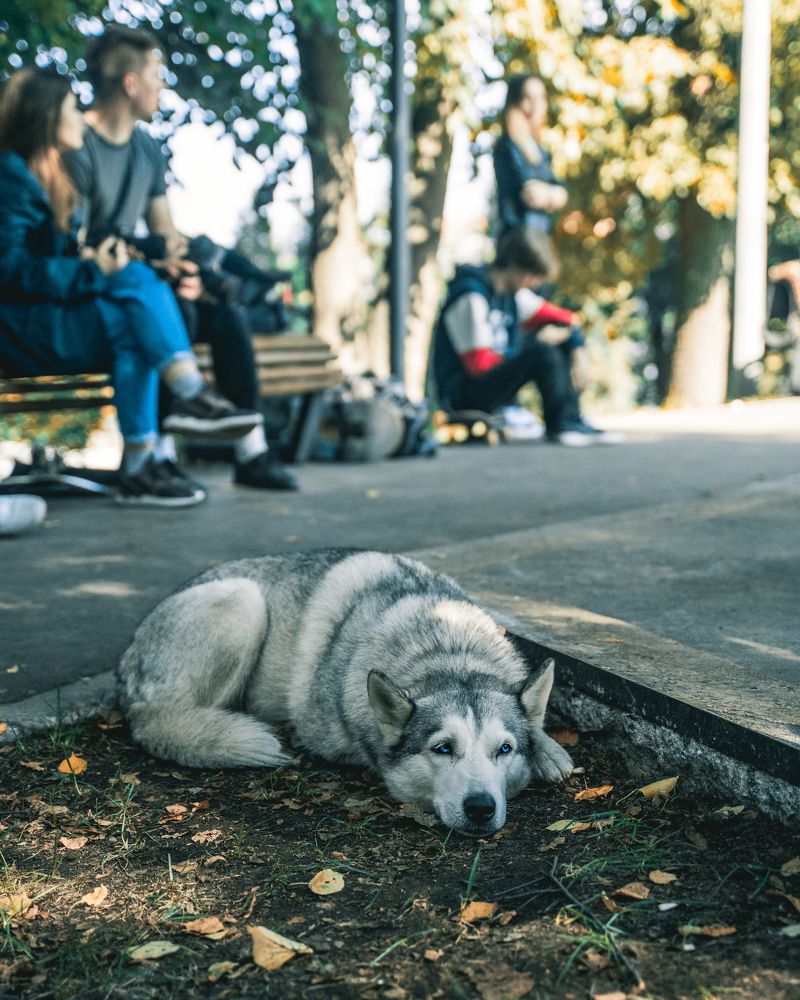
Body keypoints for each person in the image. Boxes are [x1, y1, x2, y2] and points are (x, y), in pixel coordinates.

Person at [0, 68, 263, 507]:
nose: (79, 118)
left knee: (134, 318)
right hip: (18, 330)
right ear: (46, 118)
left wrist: (88, 260)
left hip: (40, 319)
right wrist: (92, 271)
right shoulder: (9, 176)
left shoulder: (40, 175)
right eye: (70, 109)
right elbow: (10, 270)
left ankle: (143, 461)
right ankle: (188, 399)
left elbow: (41, 256)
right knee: (136, 292)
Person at [63, 25, 297, 491]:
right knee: (173, 312)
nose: (162, 85)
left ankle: (252, 450)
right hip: (101, 285)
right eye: (156, 74)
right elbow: (79, 243)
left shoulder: (148, 149)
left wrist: (185, 267)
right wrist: (155, 264)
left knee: (223, 312)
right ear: (131, 84)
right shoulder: (77, 146)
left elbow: (164, 231)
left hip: (143, 278)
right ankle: (161, 455)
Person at [431, 228, 617, 446]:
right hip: (464, 396)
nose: (536, 284)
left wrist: (578, 348)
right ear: (515, 267)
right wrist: (532, 346)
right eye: (533, 276)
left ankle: (571, 419)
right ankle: (561, 425)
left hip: (490, 382)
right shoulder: (471, 296)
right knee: (542, 351)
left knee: (556, 337)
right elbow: (479, 366)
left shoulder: (510, 297)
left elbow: (566, 319)